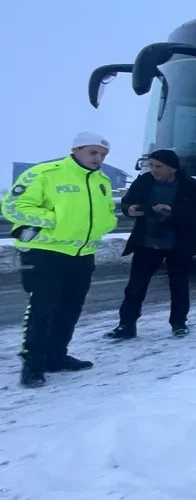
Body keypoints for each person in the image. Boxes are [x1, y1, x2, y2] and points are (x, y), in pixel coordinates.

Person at [1, 132, 119, 387]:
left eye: (103, 155)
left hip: (83, 254)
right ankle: (32, 365)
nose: (98, 158)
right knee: (43, 310)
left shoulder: (102, 180)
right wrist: (56, 221)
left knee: (70, 309)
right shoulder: (46, 173)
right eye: (93, 152)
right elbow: (12, 206)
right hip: (46, 254)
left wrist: (108, 223)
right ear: (76, 149)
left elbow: (108, 211)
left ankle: (56, 357)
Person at [106, 149, 196, 341]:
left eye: (158, 166)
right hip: (147, 242)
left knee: (178, 286)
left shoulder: (189, 184)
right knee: (135, 286)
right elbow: (129, 203)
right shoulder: (144, 181)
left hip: (179, 243)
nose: (153, 170)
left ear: (172, 167)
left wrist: (172, 210)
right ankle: (126, 326)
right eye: (151, 166)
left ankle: (178, 323)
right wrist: (132, 210)